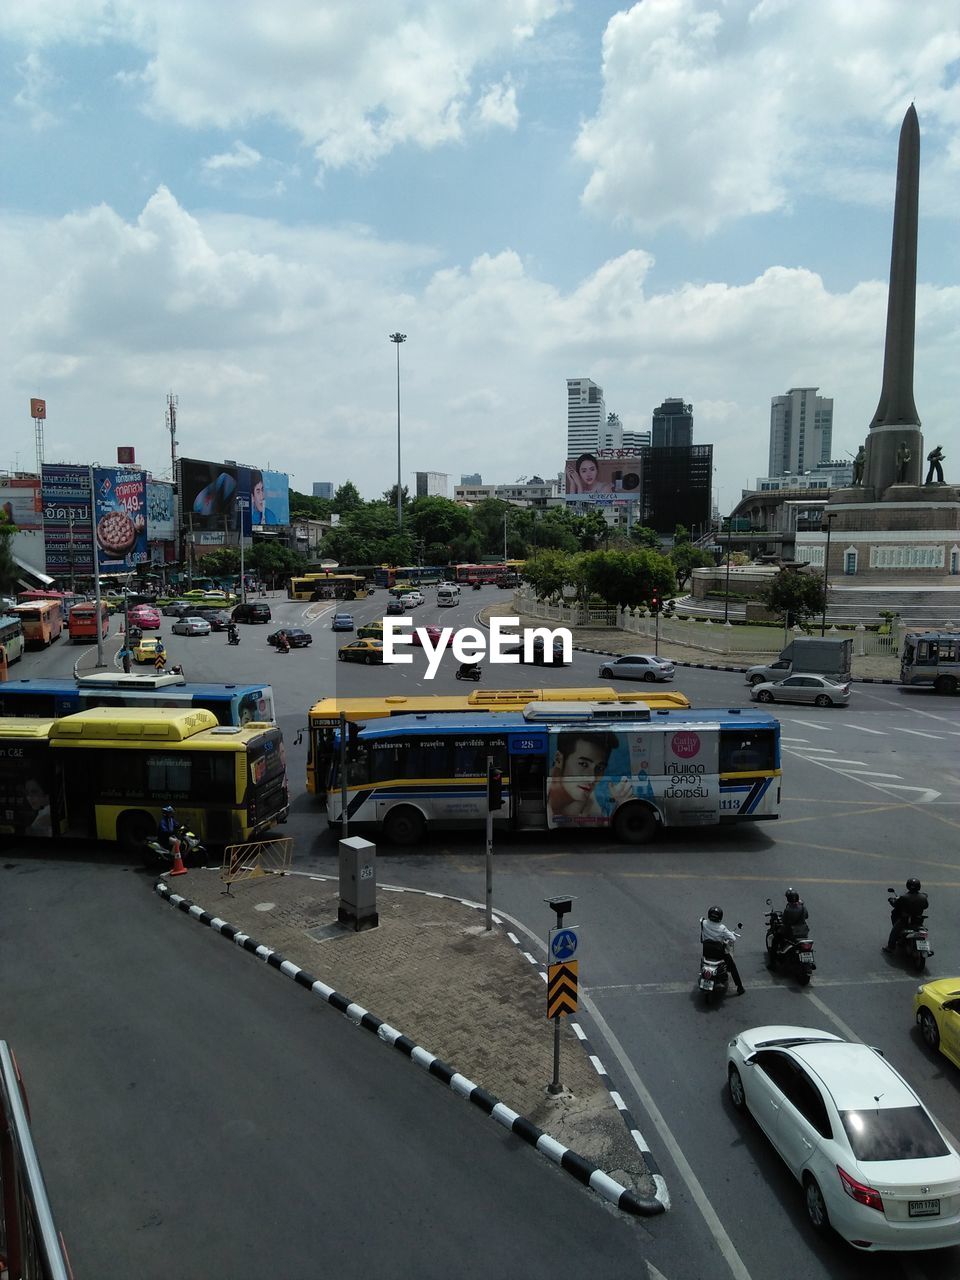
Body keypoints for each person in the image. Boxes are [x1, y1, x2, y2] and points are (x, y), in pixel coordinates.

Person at [547, 731, 634, 821]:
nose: (592, 778)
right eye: (583, 764)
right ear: (558, 760)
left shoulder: (587, 799)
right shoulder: (547, 794)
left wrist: (619, 805)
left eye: (599, 768)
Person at [700, 905, 745, 994]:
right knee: (732, 966)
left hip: (707, 952)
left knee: (702, 962)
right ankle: (740, 987)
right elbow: (733, 938)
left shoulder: (704, 923)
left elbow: (701, 922)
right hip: (719, 953)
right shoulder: (722, 928)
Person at [885, 877, 928, 953]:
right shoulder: (923, 897)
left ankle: (890, 947)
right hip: (918, 920)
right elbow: (926, 906)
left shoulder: (904, 897)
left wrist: (891, 900)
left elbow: (895, 904)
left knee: (894, 931)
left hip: (906, 920)